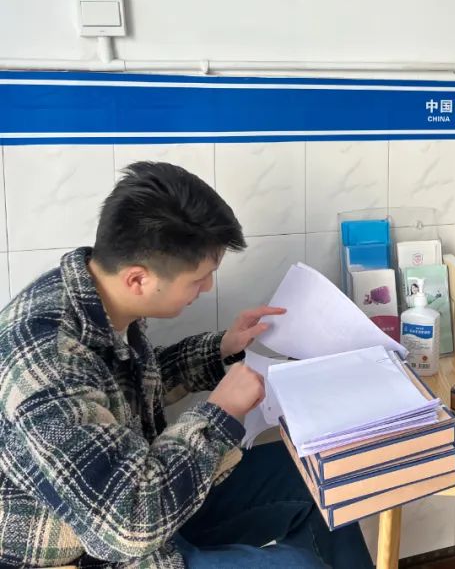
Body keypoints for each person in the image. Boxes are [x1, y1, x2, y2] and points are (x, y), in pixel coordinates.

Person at [0, 161, 375, 569]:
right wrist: (221, 413)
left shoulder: (97, 296)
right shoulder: (46, 358)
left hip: (148, 492)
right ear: (138, 280)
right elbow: (127, 526)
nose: (208, 287)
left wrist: (221, 349)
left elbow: (127, 388)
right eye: (199, 278)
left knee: (318, 477)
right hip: (99, 548)